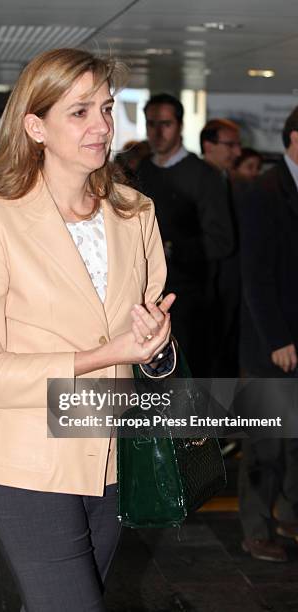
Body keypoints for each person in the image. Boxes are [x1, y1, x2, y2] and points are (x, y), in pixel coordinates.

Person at [0, 48, 176, 611]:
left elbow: (150, 343)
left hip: (115, 456)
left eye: (106, 107)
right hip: (27, 456)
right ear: (35, 126)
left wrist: (154, 346)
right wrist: (99, 355)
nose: (101, 125)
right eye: (79, 112)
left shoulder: (135, 212)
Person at [238, 106, 298, 562]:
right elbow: (255, 275)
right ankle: (257, 530)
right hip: (271, 344)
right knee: (267, 443)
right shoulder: (264, 191)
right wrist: (276, 339)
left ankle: (290, 518)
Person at [137, 94, 234, 376]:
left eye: (165, 124)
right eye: (151, 123)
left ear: (179, 125)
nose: (157, 132)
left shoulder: (203, 175)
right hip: (148, 296)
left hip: (191, 301)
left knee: (189, 377)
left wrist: (171, 248)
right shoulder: (144, 168)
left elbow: (222, 241)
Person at [201, 118, 242, 377]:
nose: (236, 152)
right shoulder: (199, 180)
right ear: (209, 145)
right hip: (205, 287)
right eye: (230, 145)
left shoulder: (230, 180)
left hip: (229, 286)